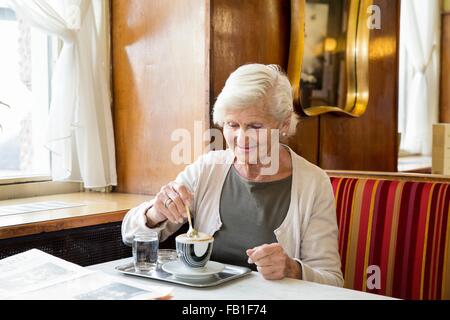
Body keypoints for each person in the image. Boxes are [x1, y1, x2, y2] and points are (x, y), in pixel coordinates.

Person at [122, 64, 344, 286]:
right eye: (232, 124)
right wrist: (155, 213)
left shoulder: (313, 184)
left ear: (284, 123)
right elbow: (128, 234)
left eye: (255, 126)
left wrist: (292, 269)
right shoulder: (207, 169)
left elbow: (332, 282)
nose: (241, 138)